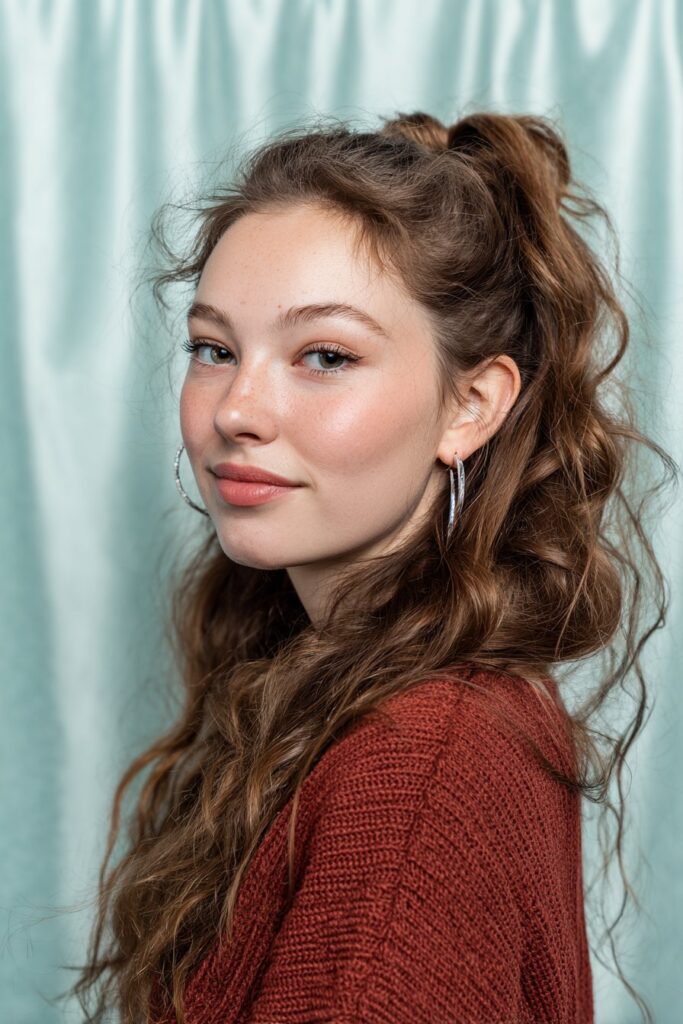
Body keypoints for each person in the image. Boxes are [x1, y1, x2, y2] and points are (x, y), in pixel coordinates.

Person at [62, 109, 673, 1024]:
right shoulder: (388, 698)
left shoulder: (419, 770)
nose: (237, 408)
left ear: (470, 405)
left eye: (324, 356)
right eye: (213, 349)